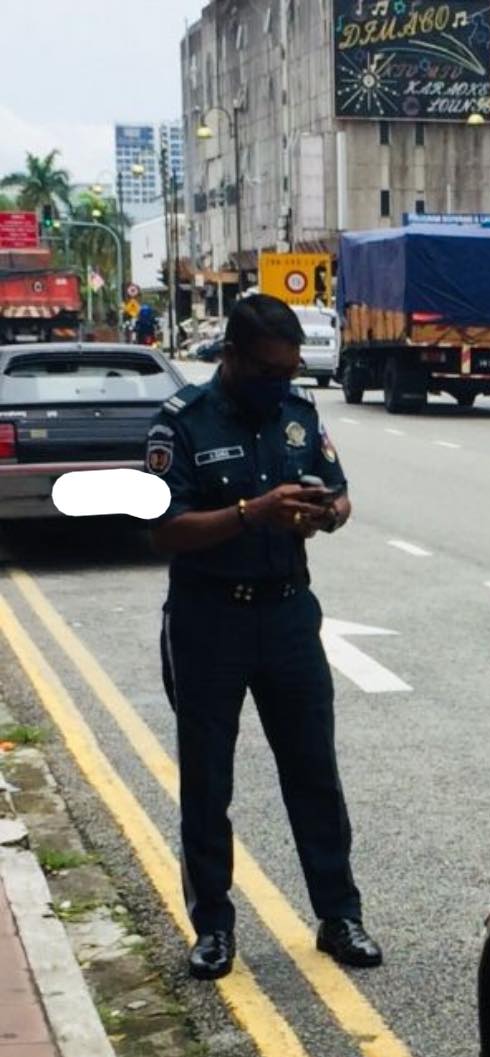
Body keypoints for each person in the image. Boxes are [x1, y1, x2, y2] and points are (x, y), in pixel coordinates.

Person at [146, 293, 381, 981]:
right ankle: (213, 928)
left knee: (314, 773)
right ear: (233, 356)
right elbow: (163, 528)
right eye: (268, 371)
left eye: (289, 371)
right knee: (207, 780)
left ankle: (339, 915)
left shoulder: (298, 415)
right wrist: (251, 513)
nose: (280, 383)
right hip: (209, 620)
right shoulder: (182, 422)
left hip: (287, 616)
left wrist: (324, 514)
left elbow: (339, 494)